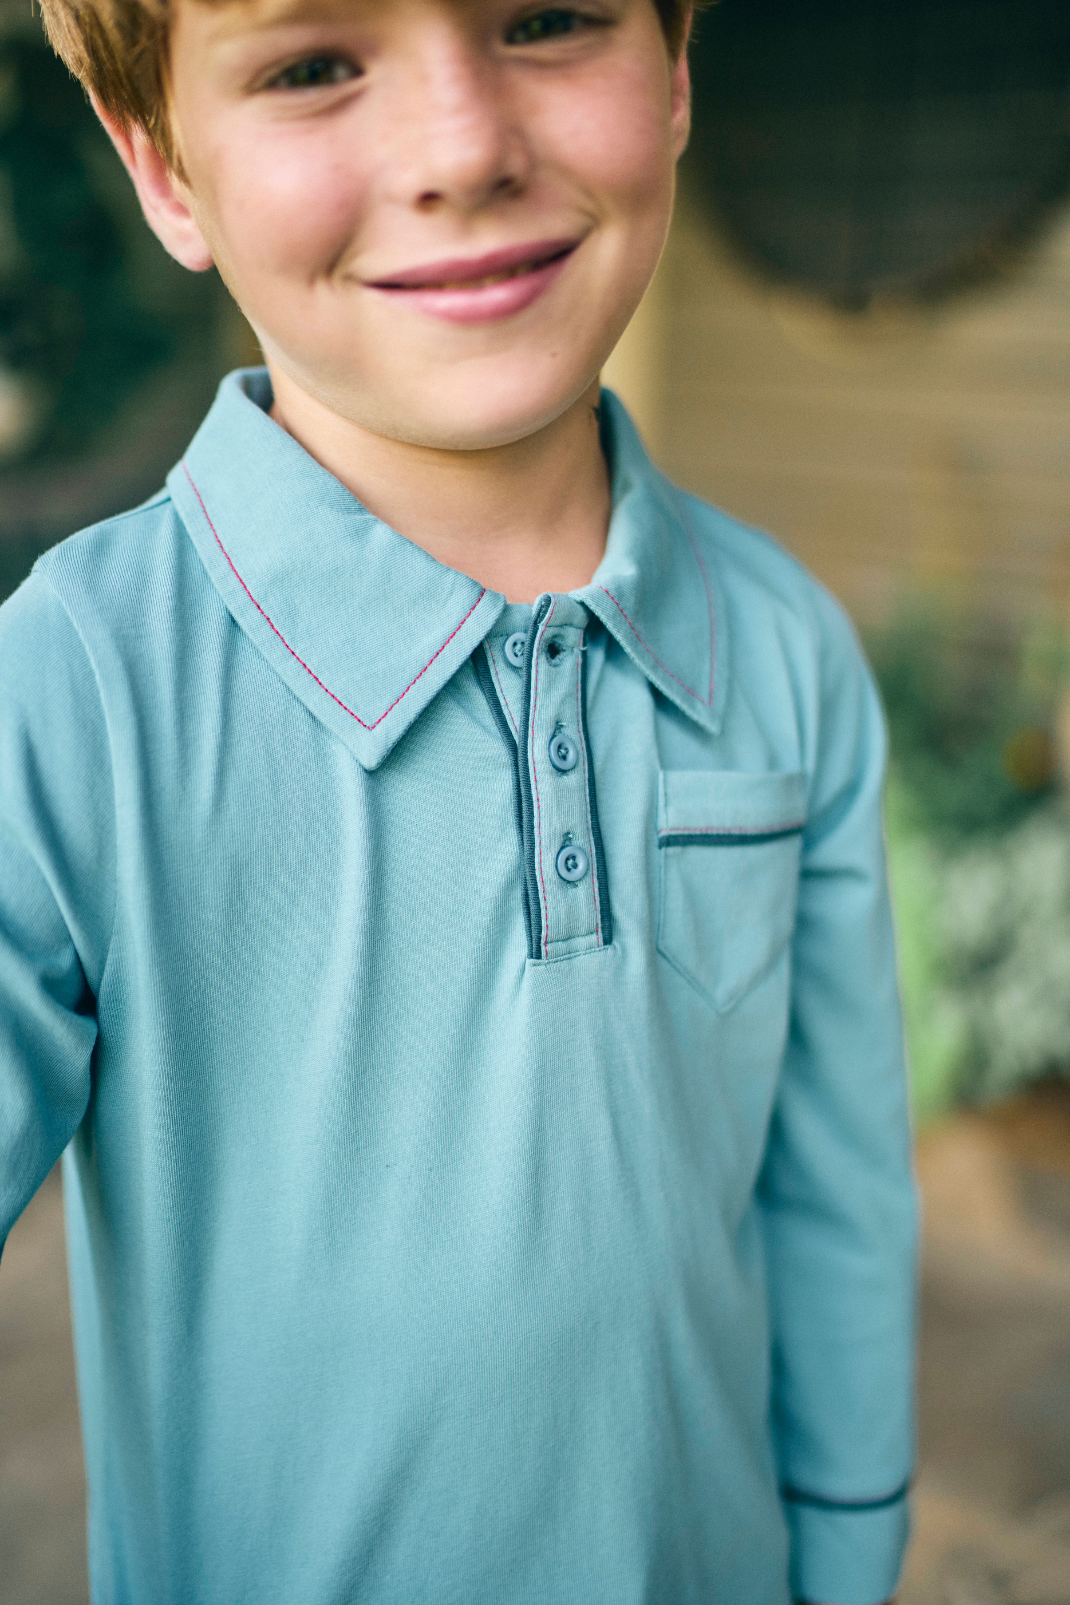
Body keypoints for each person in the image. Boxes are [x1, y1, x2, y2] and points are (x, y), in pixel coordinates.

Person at [0, 0, 916, 1599]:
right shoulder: (71, 689)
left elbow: (831, 1194)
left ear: (680, 65)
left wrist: (846, 1549)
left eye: (547, 18)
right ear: (165, 171)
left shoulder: (782, 646)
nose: (463, 149)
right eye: (309, 64)